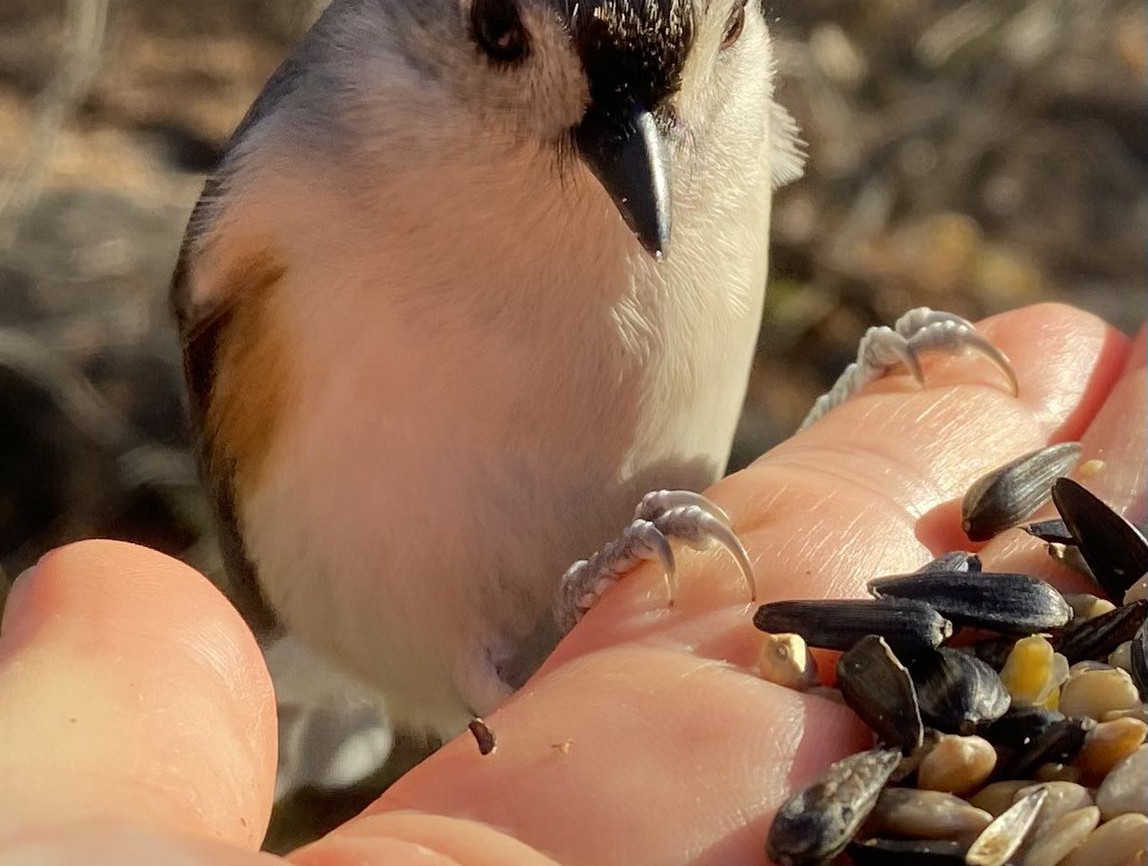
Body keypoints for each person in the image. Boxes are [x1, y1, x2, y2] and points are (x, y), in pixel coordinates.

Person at [0, 304, 1141, 865]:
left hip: (664, 608)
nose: (644, 144)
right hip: (384, 619)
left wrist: (845, 405)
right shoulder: (319, 158)